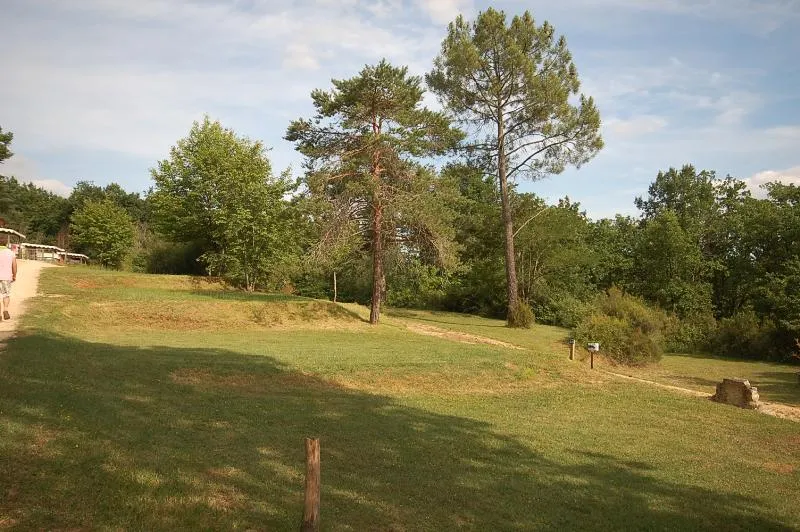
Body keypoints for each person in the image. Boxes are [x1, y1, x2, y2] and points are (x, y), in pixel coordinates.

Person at [0, 243, 17, 320]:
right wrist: (14, 275)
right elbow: (14, 265)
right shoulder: (11, 253)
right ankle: (5, 310)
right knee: (6, 295)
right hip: (6, 277)